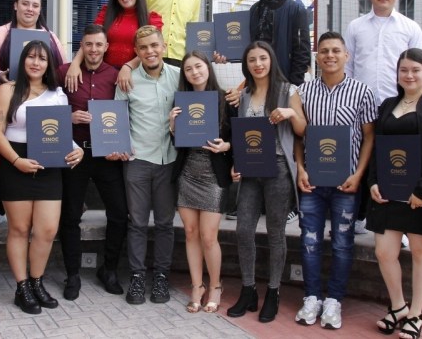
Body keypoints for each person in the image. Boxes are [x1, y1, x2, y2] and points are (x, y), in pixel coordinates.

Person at [0, 40, 84, 314]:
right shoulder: (7, 90)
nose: (36, 62)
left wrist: (77, 150)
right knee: (19, 229)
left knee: (46, 230)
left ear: (49, 64)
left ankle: (37, 282)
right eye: (31, 57)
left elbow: (62, 134)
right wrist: (17, 161)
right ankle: (22, 288)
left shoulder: (57, 94)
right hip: (15, 160)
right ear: (23, 60)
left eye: (42, 58)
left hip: (49, 164)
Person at [294, 31, 376, 330]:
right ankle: (312, 296)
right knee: (309, 241)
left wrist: (358, 174)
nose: (330, 55)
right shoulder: (304, 91)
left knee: (342, 243)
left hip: (346, 183)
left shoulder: (362, 92)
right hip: (312, 183)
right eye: (324, 50)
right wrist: (301, 169)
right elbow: (300, 137)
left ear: (346, 55)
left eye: (336, 51)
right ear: (317, 56)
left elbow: (369, 137)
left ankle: (334, 301)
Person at [226, 41, 306, 322]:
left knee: (275, 233)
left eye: (262, 58)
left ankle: (273, 291)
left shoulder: (287, 90)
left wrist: (291, 112)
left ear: (271, 60)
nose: (258, 64)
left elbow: (302, 129)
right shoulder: (244, 94)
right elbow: (242, 135)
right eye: (252, 60)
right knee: (243, 229)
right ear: (246, 65)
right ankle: (248, 289)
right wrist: (237, 162)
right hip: (250, 171)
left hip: (279, 168)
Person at [344, 0, 422, 237]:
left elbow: (421, 66)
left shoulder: (410, 27)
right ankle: (358, 216)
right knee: (363, 158)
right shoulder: (356, 27)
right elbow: (350, 66)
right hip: (363, 106)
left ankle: (403, 226)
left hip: (402, 107)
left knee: (402, 160)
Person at [57, 25, 128, 300]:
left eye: (99, 44)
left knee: (119, 213)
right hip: (74, 155)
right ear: (81, 46)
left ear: (106, 46)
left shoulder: (115, 75)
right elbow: (43, 105)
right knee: (71, 216)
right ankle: (72, 274)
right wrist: (68, 117)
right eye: (89, 44)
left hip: (106, 155)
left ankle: (108, 269)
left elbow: (126, 111)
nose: (94, 50)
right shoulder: (65, 72)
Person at [366, 48, 422, 339]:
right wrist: (374, 182)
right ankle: (398, 306)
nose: (409, 75)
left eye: (415, 70)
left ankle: (416, 314)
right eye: (404, 70)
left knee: (420, 252)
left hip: (419, 194)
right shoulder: (388, 104)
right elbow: (378, 147)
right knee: (384, 251)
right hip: (388, 190)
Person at [114, 25, 179, 305]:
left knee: (165, 223)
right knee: (138, 223)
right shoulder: (127, 80)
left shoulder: (179, 77)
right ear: (136, 52)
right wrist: (122, 144)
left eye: (154, 45)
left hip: (170, 160)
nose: (150, 51)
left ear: (163, 47)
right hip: (138, 160)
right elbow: (118, 118)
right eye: (143, 48)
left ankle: (161, 277)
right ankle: (138, 277)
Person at [169, 51, 232, 313]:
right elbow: (178, 143)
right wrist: (173, 126)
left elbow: (236, 139)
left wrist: (226, 145)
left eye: (199, 66)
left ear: (208, 68)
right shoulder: (180, 101)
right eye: (189, 69)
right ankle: (197, 286)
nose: (195, 72)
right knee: (191, 233)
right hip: (187, 173)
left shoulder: (226, 100)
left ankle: (215, 285)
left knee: (208, 236)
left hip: (213, 175)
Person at [64, 0, 163, 92]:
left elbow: (151, 51)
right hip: (105, 77)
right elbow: (91, 39)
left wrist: (128, 66)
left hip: (136, 76)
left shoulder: (151, 19)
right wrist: (75, 64)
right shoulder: (106, 13)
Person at [249, 0, 311, 87]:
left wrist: (294, 86)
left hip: (286, 82)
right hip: (256, 83)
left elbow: (302, 51)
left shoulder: (296, 9)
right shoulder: (253, 10)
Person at [0, 0, 67, 82]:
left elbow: (62, 69)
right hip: (7, 92)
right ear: (15, 5)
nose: (30, 9)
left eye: (35, 6)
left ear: (40, 10)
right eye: (25, 4)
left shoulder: (51, 37)